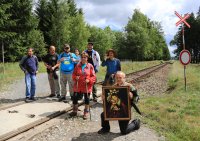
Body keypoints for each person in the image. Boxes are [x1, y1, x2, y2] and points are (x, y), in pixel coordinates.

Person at [70, 52, 96, 119]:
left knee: (87, 99)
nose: (83, 58)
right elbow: (73, 74)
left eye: (85, 57)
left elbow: (93, 77)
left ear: (87, 58)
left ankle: (86, 112)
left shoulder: (90, 66)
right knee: (75, 97)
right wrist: (75, 77)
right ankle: (75, 110)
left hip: (86, 86)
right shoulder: (77, 65)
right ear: (80, 58)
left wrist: (89, 80)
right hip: (78, 85)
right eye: (82, 57)